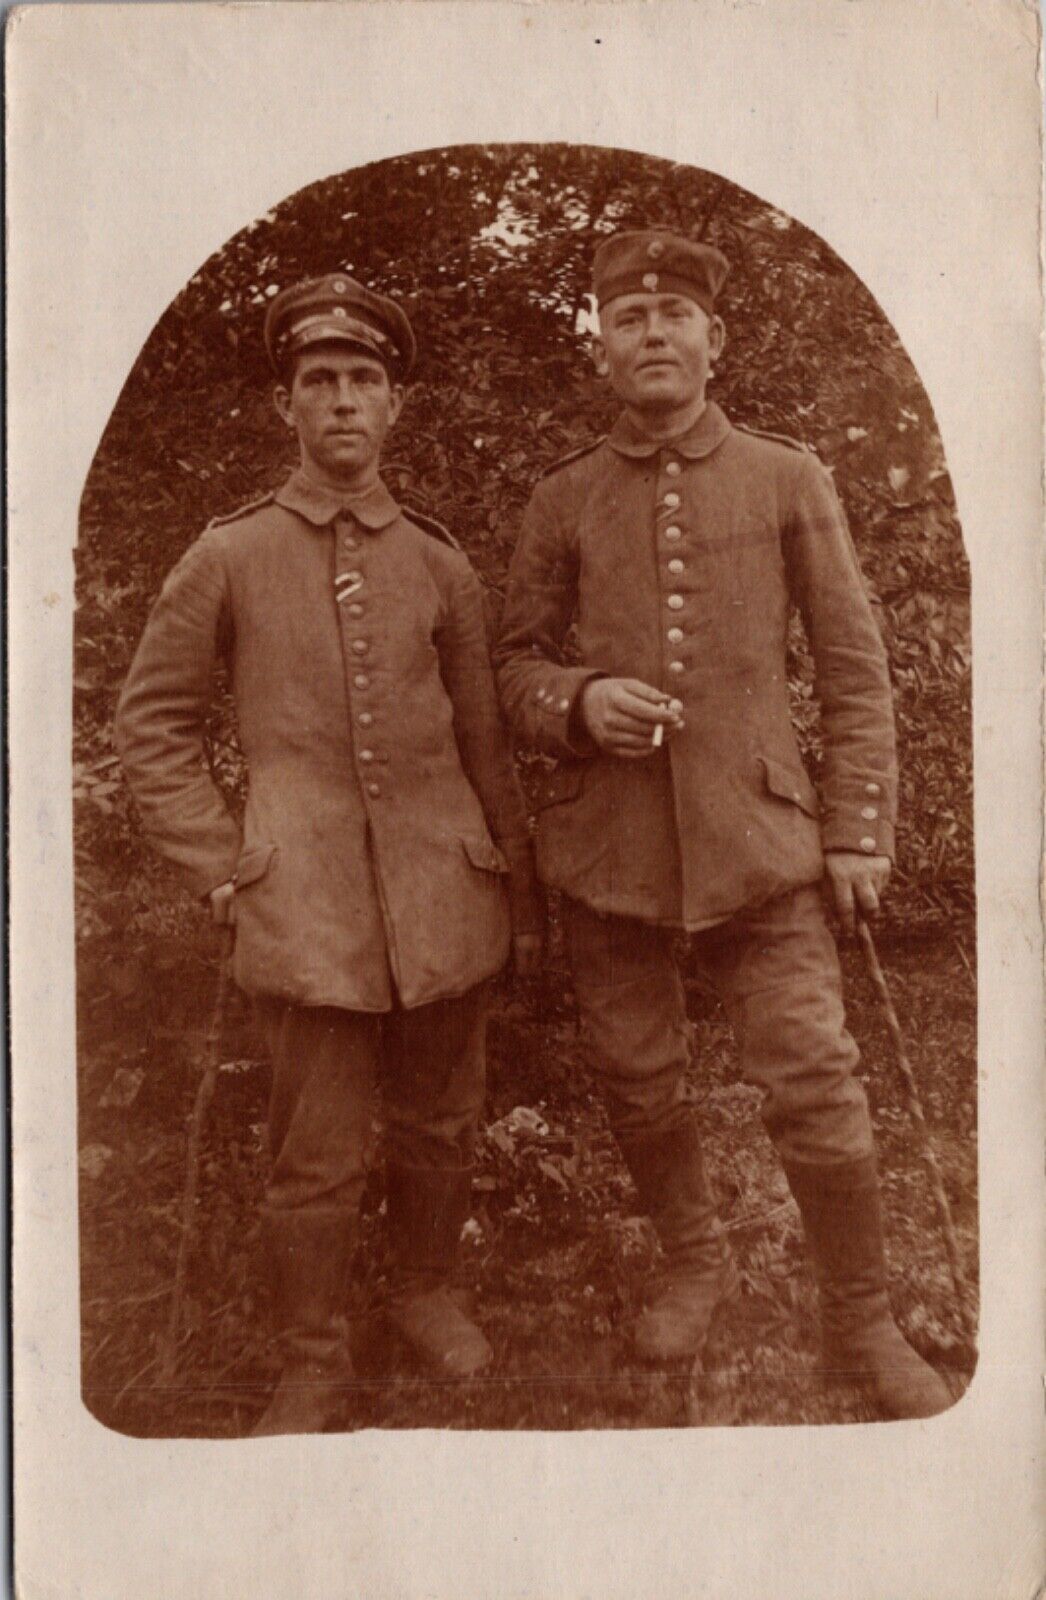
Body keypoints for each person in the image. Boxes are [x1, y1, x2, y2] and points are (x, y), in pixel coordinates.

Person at [493, 229, 951, 1419]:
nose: (652, 332)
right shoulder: (562, 498)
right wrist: (580, 702)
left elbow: (852, 669)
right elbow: (512, 669)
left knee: (814, 1080)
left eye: (673, 314)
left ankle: (858, 1318)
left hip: (762, 848)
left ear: (714, 339)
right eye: (628, 317)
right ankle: (696, 1260)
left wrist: (855, 831)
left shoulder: (785, 476)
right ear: (600, 350)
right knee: (637, 1079)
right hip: (611, 855)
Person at [115, 273, 543, 1435]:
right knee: (313, 1150)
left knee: (441, 1123)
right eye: (320, 382)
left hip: (445, 893)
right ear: (286, 408)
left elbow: (484, 739)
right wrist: (222, 860)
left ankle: (424, 1291)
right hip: (302, 906)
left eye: (363, 380)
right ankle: (310, 1357)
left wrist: (512, 880)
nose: (343, 401)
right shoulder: (229, 556)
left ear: (394, 404)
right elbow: (149, 725)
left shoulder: (440, 564)